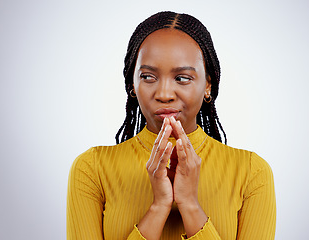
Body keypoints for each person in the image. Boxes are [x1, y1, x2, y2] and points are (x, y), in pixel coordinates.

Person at [67, 11, 276, 240]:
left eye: (182, 78)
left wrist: (190, 205)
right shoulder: (91, 170)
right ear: (132, 85)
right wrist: (159, 207)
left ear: (208, 85)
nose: (164, 94)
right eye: (148, 76)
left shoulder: (252, 174)